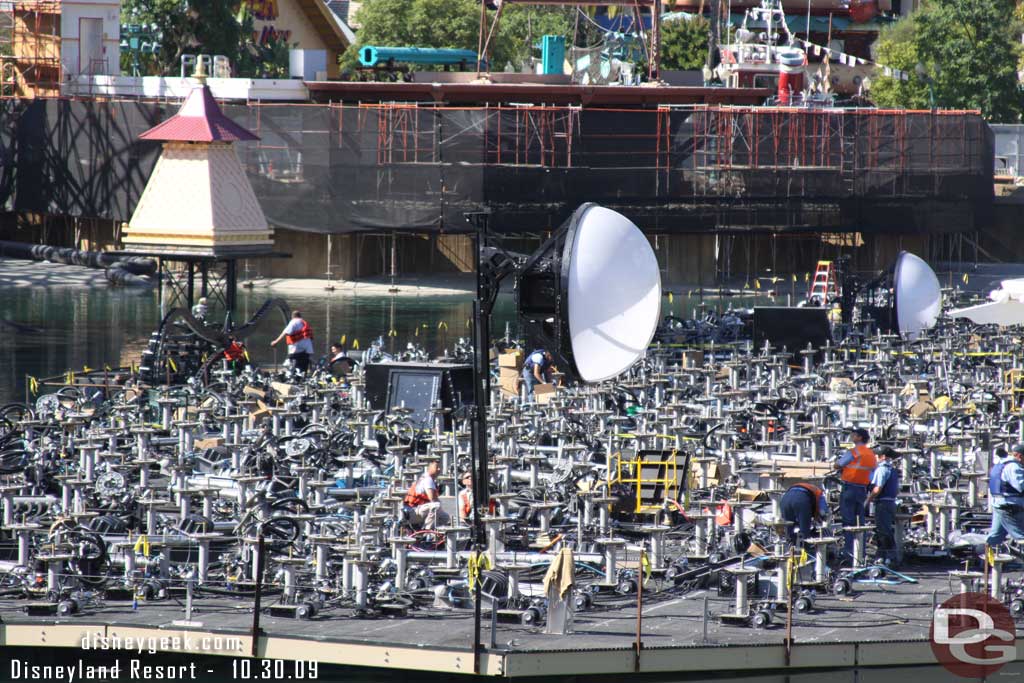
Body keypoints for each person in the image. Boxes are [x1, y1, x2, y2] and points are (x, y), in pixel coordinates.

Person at [834, 427, 877, 560]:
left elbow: (839, 464)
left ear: (859, 437)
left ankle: (849, 554)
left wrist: (837, 466)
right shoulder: (871, 454)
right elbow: (872, 474)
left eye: (854, 434)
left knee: (848, 522)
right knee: (860, 523)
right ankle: (860, 553)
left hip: (849, 488)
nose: (852, 436)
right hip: (862, 490)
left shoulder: (854, 452)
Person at [865, 446, 900, 565]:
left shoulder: (881, 470)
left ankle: (890, 557)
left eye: (876, 456)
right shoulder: (893, 470)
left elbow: (877, 488)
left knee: (883, 531)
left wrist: (868, 500)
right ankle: (883, 556)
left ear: (883, 457)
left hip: (883, 503)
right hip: (891, 502)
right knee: (885, 530)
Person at [987, 444, 1024, 549]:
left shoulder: (1000, 464)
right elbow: (1021, 486)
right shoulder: (1014, 467)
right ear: (1020, 456)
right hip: (1010, 507)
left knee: (995, 537)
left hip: (999, 505)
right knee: (1021, 536)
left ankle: (986, 561)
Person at [403, 460, 450, 530]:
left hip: (420, 509)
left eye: (440, 467)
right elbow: (432, 499)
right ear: (429, 468)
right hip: (413, 511)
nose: (439, 469)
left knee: (445, 517)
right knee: (436, 506)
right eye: (436, 467)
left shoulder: (429, 479)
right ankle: (427, 532)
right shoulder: (428, 479)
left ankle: (436, 534)